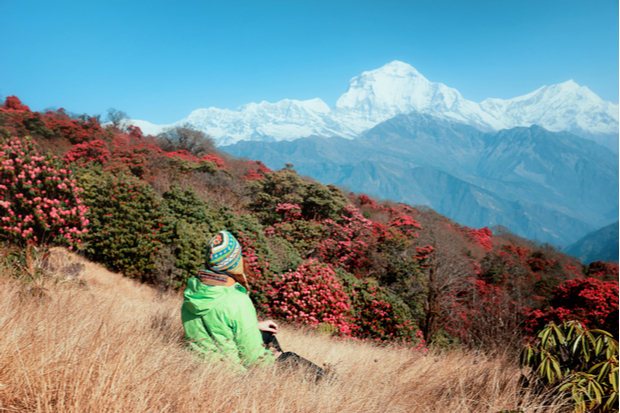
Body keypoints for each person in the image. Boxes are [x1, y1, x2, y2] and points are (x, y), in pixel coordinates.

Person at [181, 230, 326, 379]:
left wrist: (253, 325)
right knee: (291, 359)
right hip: (231, 377)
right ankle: (335, 387)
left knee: (265, 334)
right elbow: (254, 359)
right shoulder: (237, 300)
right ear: (233, 262)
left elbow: (215, 321)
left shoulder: (192, 292)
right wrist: (277, 358)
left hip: (198, 368)